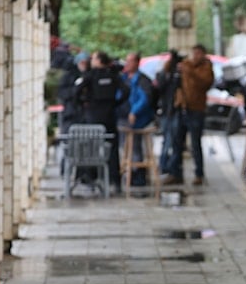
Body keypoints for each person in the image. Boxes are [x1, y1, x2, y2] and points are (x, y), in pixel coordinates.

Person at [76, 50, 129, 190]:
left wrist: (83, 103)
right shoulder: (114, 75)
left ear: (99, 61)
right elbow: (126, 90)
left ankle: (91, 177)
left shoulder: (90, 75)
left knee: (91, 147)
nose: (91, 61)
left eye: (93, 58)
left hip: (93, 116)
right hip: (110, 115)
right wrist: (116, 103)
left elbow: (76, 91)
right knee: (112, 148)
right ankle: (115, 180)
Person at [163, 44, 213, 186]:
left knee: (195, 144)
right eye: (194, 53)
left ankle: (199, 174)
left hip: (196, 109)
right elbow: (167, 70)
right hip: (182, 108)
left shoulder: (206, 67)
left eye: (198, 53)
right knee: (177, 142)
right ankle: (175, 173)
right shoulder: (186, 64)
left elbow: (205, 83)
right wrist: (172, 60)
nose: (195, 56)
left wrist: (189, 70)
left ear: (203, 54)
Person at [119, 51, 155, 188]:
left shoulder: (143, 80)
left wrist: (134, 112)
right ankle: (129, 172)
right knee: (125, 146)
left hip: (139, 119)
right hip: (123, 116)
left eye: (130, 61)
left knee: (136, 147)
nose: (127, 64)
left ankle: (138, 173)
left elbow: (144, 98)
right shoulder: (123, 78)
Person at [154, 50, 181, 180]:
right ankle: (164, 167)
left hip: (175, 111)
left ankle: (171, 168)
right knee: (167, 140)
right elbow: (159, 89)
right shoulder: (163, 75)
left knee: (174, 141)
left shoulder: (179, 75)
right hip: (166, 110)